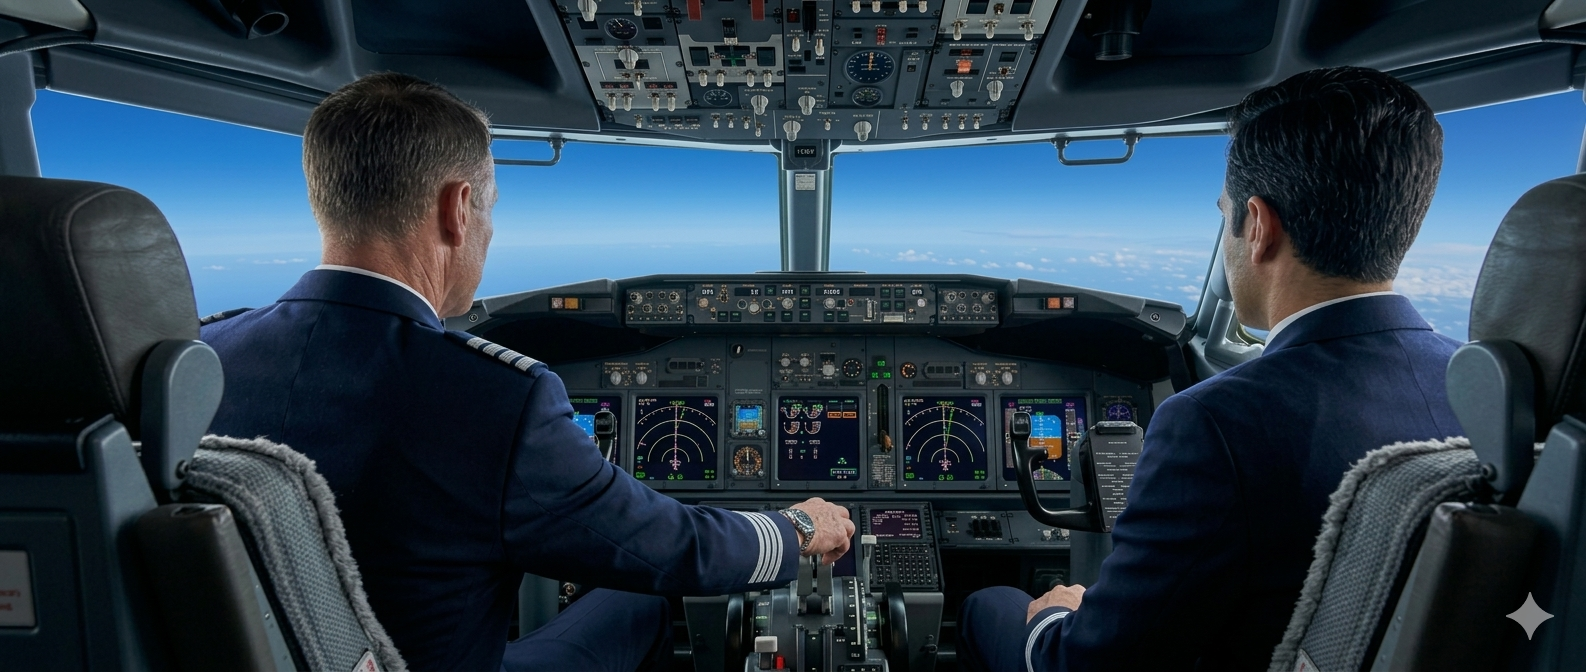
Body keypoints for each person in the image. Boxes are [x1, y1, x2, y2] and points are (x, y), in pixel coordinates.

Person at [200, 73, 855, 671]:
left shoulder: (200, 359)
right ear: (458, 209)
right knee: (644, 600)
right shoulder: (493, 398)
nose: (488, 232)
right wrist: (796, 527)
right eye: (490, 208)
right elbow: (670, 547)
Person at [956, 66, 1464, 671]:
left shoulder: (1215, 424)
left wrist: (1054, 617)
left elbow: (1088, 665)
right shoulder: (1484, 393)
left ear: (1259, 227)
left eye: (1225, 216)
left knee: (991, 604)